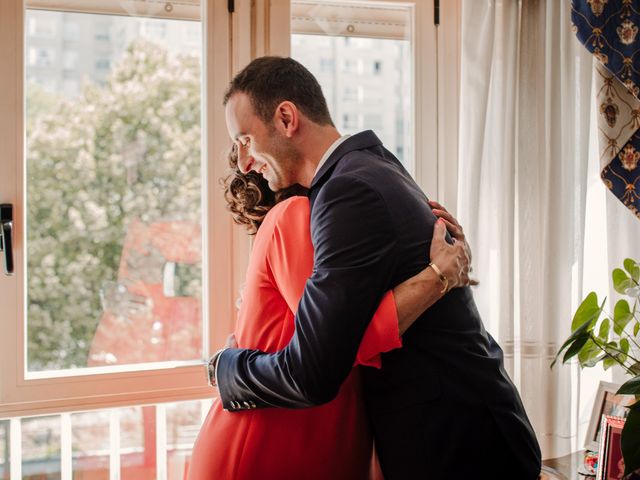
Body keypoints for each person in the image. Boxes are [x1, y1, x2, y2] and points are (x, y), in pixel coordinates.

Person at [213, 56, 542, 479]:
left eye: (244, 139)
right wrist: (438, 278)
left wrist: (226, 367)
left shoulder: (347, 190)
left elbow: (313, 371)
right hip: (468, 429)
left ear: (286, 117)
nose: (243, 163)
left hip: (457, 444)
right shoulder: (374, 165)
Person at [188, 146, 470, 479]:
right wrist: (437, 275)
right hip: (270, 441)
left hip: (315, 436)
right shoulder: (296, 213)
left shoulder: (322, 231)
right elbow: (337, 344)